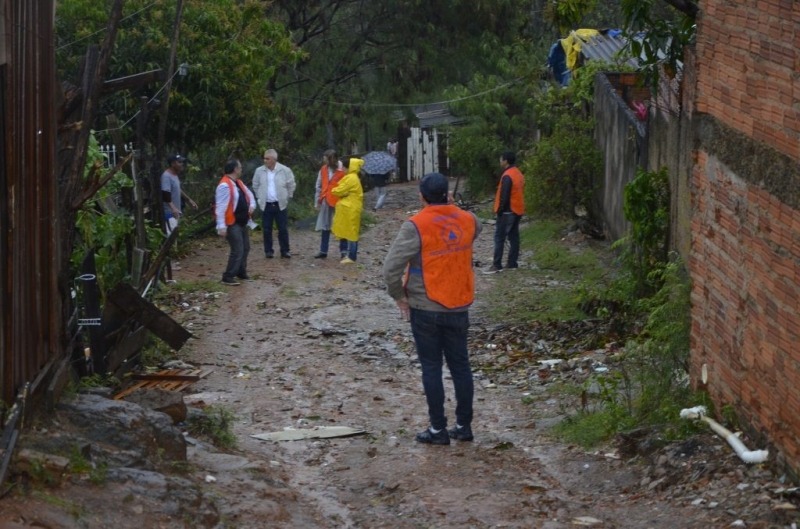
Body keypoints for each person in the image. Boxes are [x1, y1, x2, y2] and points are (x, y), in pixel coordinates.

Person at [382, 172, 482, 445]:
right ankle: (464, 426)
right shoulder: (468, 220)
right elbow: (476, 229)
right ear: (448, 195)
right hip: (459, 306)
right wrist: (453, 209)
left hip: (425, 307)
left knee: (432, 367)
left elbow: (390, 269)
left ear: (422, 197)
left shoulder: (415, 225)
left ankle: (438, 430)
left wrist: (399, 297)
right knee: (461, 366)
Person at [214, 159, 256, 286]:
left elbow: (249, 195)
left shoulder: (238, 183)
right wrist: (221, 226)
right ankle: (228, 276)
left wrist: (252, 205)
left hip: (242, 221)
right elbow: (220, 207)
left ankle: (241, 271)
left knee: (245, 247)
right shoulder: (224, 185)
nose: (241, 169)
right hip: (232, 222)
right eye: (240, 167)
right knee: (237, 249)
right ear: (235, 169)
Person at [252, 148, 296, 258]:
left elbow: (291, 184)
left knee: (282, 229)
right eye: (264, 158)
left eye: (267, 158)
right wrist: (259, 198)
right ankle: (268, 251)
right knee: (266, 229)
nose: (265, 160)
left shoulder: (285, 170)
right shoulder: (259, 171)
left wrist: (287, 197)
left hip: (280, 204)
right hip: (266, 204)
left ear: (274, 159)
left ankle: (285, 250)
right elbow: (255, 185)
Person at [490, 151, 525, 273]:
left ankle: (497, 264)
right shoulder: (518, 173)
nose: (500, 161)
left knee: (499, 237)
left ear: (505, 161)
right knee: (514, 237)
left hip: (507, 211)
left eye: (501, 159)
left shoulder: (507, 175)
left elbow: (504, 195)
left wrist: (499, 210)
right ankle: (512, 263)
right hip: (518, 209)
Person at [313, 149, 348, 259]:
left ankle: (344, 250)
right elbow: (318, 185)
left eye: (326, 158)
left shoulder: (343, 171)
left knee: (341, 225)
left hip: (339, 201)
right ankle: (323, 250)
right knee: (325, 225)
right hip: (326, 200)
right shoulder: (323, 169)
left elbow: (348, 186)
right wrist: (317, 201)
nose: (324, 160)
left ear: (331, 159)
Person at [331, 157, 364, 264]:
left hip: (350, 208)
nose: (343, 170)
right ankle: (347, 254)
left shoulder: (350, 178)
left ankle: (352, 256)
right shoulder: (352, 177)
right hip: (350, 208)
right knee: (348, 231)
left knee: (352, 232)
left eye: (344, 168)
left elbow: (338, 190)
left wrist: (337, 191)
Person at [161, 153, 198, 235]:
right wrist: (173, 208)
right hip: (170, 213)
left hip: (175, 212)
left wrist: (189, 200)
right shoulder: (166, 176)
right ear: (172, 164)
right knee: (171, 237)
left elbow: (178, 189)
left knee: (175, 237)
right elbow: (165, 193)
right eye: (179, 162)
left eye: (182, 162)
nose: (182, 164)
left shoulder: (174, 175)